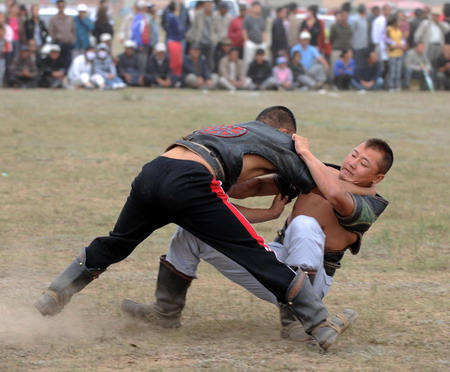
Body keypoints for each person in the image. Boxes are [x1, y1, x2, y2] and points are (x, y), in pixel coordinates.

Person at [35, 106, 356, 352]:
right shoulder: (281, 140)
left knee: (117, 243)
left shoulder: (231, 132)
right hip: (191, 180)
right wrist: (305, 151)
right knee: (254, 254)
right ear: (285, 132)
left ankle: (55, 293)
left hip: (154, 171)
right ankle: (318, 322)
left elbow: (227, 198)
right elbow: (326, 187)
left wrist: (267, 211)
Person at [129, 137, 392, 343]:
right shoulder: (319, 173)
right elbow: (252, 188)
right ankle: (165, 313)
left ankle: (301, 320)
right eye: (354, 154)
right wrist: (231, 170)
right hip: (275, 265)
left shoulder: (370, 205)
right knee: (192, 232)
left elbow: (334, 195)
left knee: (304, 224)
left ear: (377, 178)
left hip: (313, 283)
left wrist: (305, 154)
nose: (353, 162)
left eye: (364, 163)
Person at [49, 0, 76, 72]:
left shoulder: (70, 18)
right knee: (59, 63)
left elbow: (73, 30)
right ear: (57, 7)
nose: (61, 8)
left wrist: (71, 39)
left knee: (68, 62)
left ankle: (68, 76)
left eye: (62, 6)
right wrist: (56, 38)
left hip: (68, 44)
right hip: (58, 43)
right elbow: (51, 31)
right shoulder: (53, 19)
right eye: (60, 6)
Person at [329, 10, 352, 80]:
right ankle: (333, 82)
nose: (344, 18)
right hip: (337, 49)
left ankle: (343, 84)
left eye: (346, 16)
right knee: (334, 67)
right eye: (343, 16)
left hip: (346, 50)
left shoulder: (349, 27)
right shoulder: (334, 26)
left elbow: (350, 37)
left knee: (345, 67)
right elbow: (331, 38)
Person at [371, 4, 391, 82]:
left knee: (386, 64)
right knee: (380, 64)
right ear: (384, 11)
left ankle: (384, 82)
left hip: (386, 46)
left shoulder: (388, 20)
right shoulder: (378, 21)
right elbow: (375, 34)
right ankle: (378, 81)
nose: (389, 12)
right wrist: (377, 44)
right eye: (387, 10)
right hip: (379, 45)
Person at [242, 2, 266, 68]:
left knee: (262, 58)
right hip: (250, 42)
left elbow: (263, 31)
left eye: (259, 7)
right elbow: (244, 30)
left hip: (260, 42)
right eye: (256, 7)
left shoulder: (262, 19)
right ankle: (248, 72)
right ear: (252, 8)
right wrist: (246, 41)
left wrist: (264, 41)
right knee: (248, 60)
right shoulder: (247, 18)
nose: (257, 9)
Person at [386, 15, 406, 92]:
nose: (399, 23)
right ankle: (391, 86)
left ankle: (397, 85)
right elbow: (387, 40)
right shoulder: (388, 29)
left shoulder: (399, 30)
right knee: (392, 71)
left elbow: (402, 39)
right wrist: (396, 45)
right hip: (392, 53)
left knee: (398, 71)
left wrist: (403, 45)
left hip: (399, 53)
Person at [165, 1, 184, 79]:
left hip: (174, 40)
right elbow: (178, 29)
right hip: (174, 40)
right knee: (175, 62)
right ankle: (174, 78)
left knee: (176, 61)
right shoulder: (172, 17)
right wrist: (182, 28)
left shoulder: (170, 16)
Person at [351, 4, 369, 72]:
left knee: (363, 64)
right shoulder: (355, 19)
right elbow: (352, 32)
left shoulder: (365, 19)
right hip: (357, 46)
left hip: (364, 45)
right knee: (357, 64)